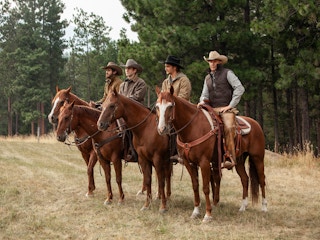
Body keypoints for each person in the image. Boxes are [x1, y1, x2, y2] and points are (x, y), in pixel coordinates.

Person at [197, 51, 245, 170]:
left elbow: (239, 88)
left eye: (214, 61)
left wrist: (230, 105)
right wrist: (202, 101)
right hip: (211, 109)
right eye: (210, 61)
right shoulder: (207, 78)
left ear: (219, 62)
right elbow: (204, 94)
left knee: (228, 127)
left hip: (226, 109)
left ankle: (229, 156)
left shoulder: (227, 73)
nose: (212, 63)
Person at [161, 55, 192, 164]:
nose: (166, 68)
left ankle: (178, 152)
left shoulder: (184, 80)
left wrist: (171, 101)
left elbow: (184, 97)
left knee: (174, 126)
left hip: (183, 111)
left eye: (168, 66)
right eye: (165, 66)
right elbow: (162, 97)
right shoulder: (165, 82)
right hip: (169, 110)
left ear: (175, 67)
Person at [119, 59, 147, 162]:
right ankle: (119, 149)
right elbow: (118, 99)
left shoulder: (141, 83)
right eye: (126, 68)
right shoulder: (122, 85)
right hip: (123, 113)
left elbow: (137, 98)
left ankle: (133, 150)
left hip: (137, 113)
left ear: (134, 70)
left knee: (128, 127)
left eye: (129, 69)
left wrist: (123, 101)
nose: (126, 70)